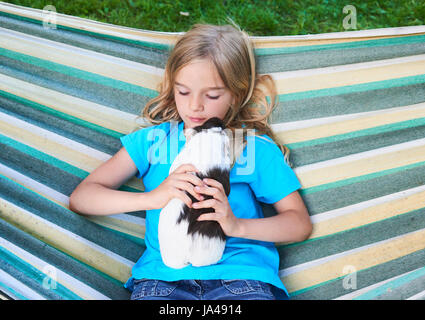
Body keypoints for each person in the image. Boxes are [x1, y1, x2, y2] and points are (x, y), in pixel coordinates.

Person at [69, 22, 312, 300]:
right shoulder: (152, 142)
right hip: (163, 279)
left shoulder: (253, 148)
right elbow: (82, 197)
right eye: (183, 91)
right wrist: (152, 198)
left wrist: (237, 225)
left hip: (240, 276)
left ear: (236, 93)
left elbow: (299, 223)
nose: (195, 105)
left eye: (211, 95)